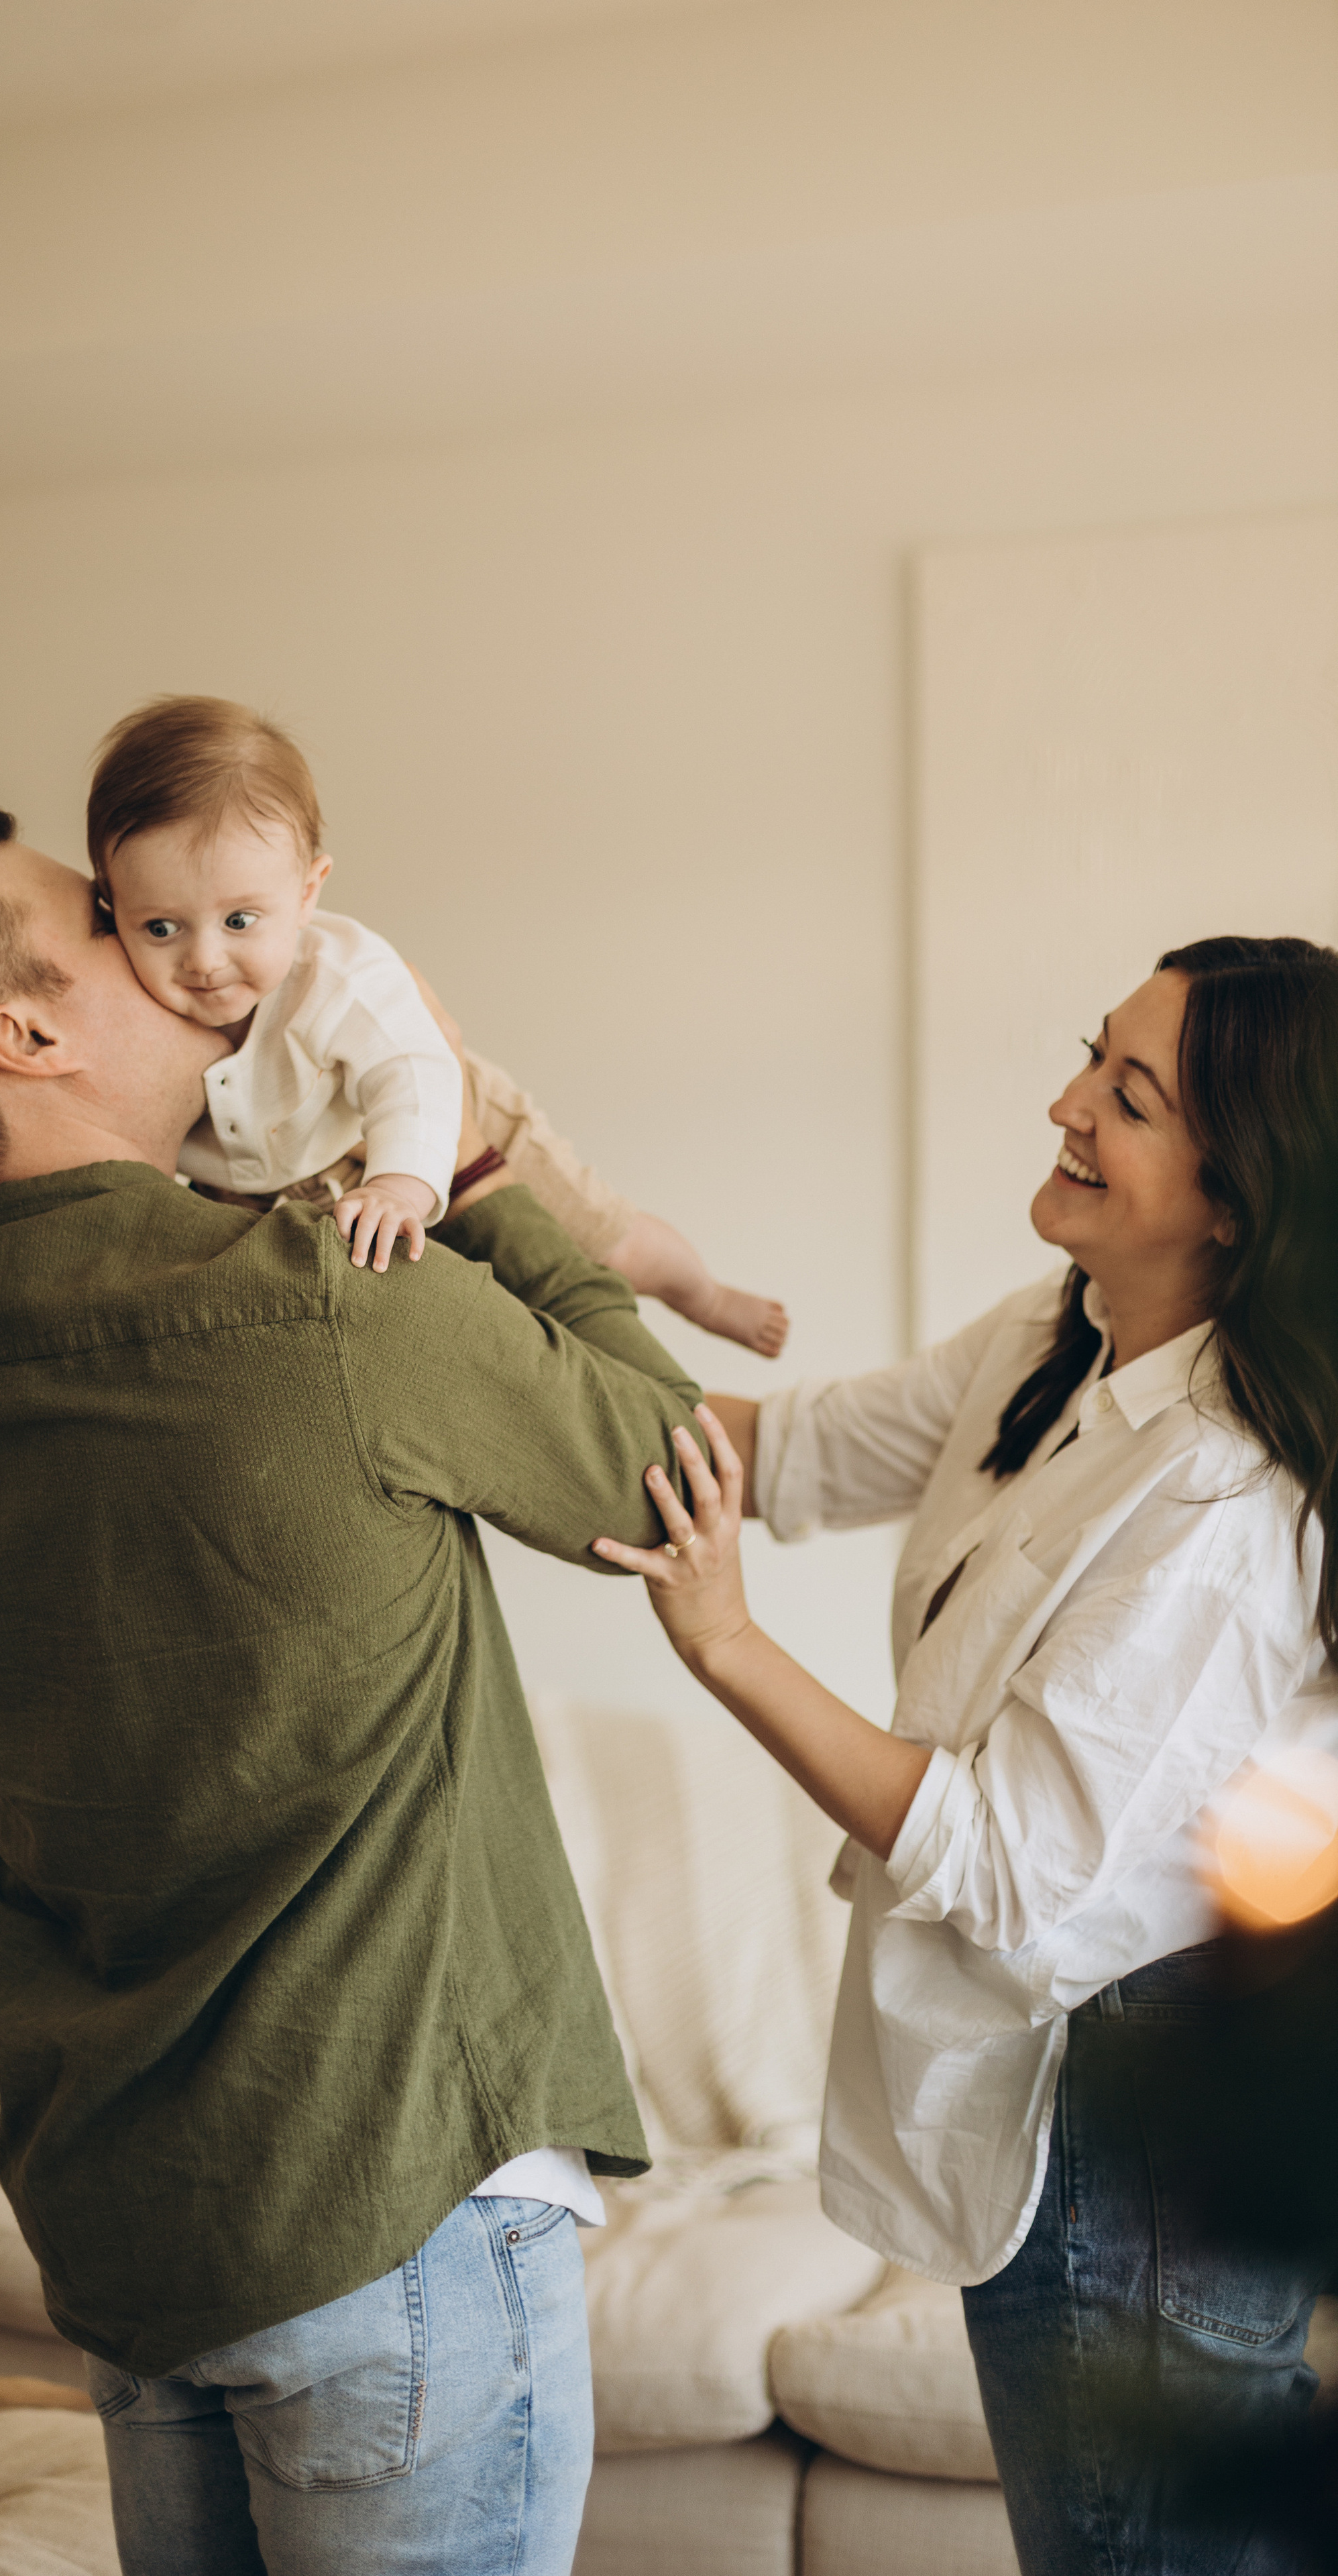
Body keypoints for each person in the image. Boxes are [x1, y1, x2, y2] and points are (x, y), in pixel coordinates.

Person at [0, 795, 710, 2576]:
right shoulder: (317, 1298)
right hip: (387, 2194)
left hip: (134, 2224)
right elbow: (672, 1471)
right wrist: (470, 1158)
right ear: (23, 1035)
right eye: (111, 923)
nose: (175, 947)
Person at [594, 937, 1338, 2575]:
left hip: (1134, 2121)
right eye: (1090, 1054)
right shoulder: (1054, 1332)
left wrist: (724, 1644)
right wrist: (508, 1305)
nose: (1065, 1103)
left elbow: (1004, 1863)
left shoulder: (1221, 1495)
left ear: (1235, 1195)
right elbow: (778, 1449)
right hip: (1071, 2071)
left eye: (1126, 1097)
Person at [89, 694, 789, 1353]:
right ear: (110, 908)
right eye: (161, 927)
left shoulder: (339, 977)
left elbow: (411, 1074)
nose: (204, 960)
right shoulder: (119, 1007)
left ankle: (700, 1293)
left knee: (603, 1242)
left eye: (240, 920)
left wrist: (400, 1184)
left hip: (430, 1115)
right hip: (296, 1179)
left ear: (306, 894)